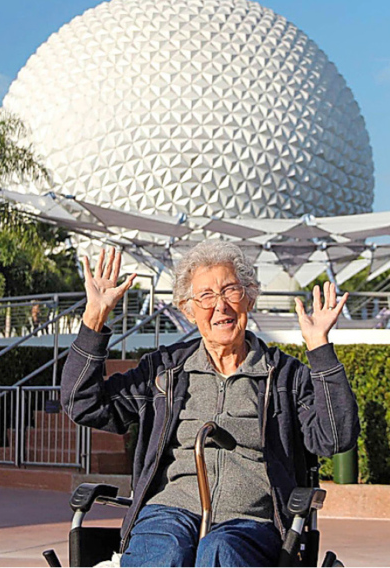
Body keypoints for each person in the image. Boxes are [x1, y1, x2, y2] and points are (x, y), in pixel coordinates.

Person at [62, 241, 359, 567]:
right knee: (163, 553)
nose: (220, 306)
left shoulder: (285, 377)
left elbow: (335, 436)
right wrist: (95, 317)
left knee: (220, 551)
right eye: (205, 296)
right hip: (169, 512)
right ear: (187, 309)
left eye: (230, 290)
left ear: (250, 297)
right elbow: (83, 403)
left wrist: (319, 349)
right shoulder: (165, 373)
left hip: (250, 521)